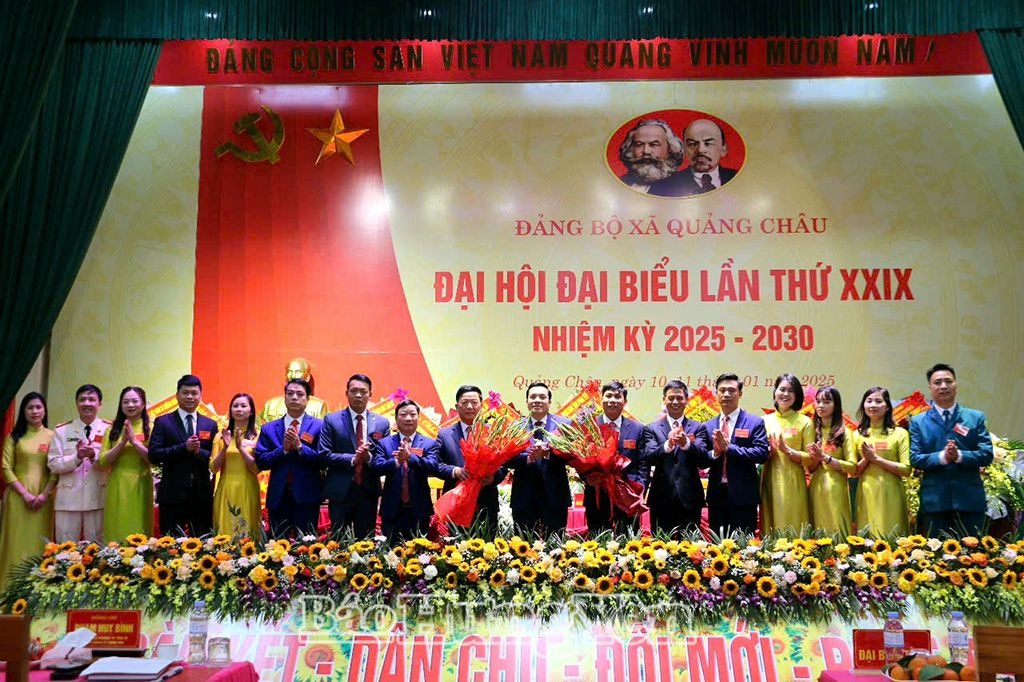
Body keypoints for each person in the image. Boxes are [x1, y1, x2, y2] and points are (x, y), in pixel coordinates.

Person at [909, 363, 993, 537]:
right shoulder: (918, 421)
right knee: (936, 551)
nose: (943, 386)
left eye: (948, 381)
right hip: (935, 500)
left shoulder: (974, 417)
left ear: (956, 385)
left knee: (974, 550)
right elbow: (915, 458)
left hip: (969, 499)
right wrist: (943, 457)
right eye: (937, 382)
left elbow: (986, 454)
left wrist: (959, 455)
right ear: (930, 387)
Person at [319, 374, 390, 537]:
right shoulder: (332, 420)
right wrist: (352, 458)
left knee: (365, 542)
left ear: (370, 394)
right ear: (347, 393)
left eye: (363, 391)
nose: (358, 395)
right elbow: (324, 455)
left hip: (368, 491)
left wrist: (368, 457)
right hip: (340, 490)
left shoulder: (381, 423)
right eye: (354, 391)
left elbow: (385, 458)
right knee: (338, 541)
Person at [0, 393, 57, 591]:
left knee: (40, 543)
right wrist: (25, 494)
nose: (34, 411)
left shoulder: (52, 436)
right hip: (18, 498)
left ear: (45, 411)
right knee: (14, 541)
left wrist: (44, 495)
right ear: (23, 411)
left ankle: (38, 589)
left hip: (44, 500)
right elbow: (6, 468)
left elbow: (55, 471)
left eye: (38, 407)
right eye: (30, 407)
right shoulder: (14, 437)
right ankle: (9, 589)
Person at [254, 378, 324, 538]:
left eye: (300, 394)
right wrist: (283, 450)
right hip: (278, 496)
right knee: (277, 545)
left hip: (307, 496)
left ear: (308, 399)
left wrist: (300, 447)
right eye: (290, 394)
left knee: (306, 545)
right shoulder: (269, 428)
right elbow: (261, 461)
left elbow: (323, 460)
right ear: (284, 398)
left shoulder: (319, 426)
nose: (294, 398)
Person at [148, 374, 217, 536]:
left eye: (194, 393)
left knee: (203, 541)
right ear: (177, 395)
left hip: (201, 494)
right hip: (172, 493)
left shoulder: (210, 424)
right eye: (185, 392)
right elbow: (154, 455)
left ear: (200, 396)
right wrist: (183, 447)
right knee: (170, 542)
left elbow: (213, 457)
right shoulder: (163, 422)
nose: (190, 397)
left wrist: (198, 451)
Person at [704, 374, 769, 535]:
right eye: (722, 390)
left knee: (744, 545)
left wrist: (730, 448)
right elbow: (702, 459)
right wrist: (715, 453)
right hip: (717, 496)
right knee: (717, 545)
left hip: (743, 495)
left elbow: (761, 453)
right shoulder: (708, 426)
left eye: (731, 390)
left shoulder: (754, 422)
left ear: (740, 394)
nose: (726, 394)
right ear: (716, 394)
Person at [644, 380, 710, 536]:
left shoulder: (698, 428)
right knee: (660, 546)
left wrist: (686, 444)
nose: (675, 402)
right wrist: (668, 445)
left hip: (690, 498)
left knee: (690, 547)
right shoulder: (651, 428)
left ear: (686, 400)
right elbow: (649, 457)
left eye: (679, 398)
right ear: (664, 400)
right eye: (671, 398)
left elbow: (703, 460)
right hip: (661, 499)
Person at [584, 381, 650, 534]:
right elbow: (579, 457)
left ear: (625, 401)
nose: (612, 400)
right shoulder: (590, 426)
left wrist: (639, 489)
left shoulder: (638, 428)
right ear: (601, 399)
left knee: (628, 542)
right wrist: (587, 478)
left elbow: (643, 464)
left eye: (617, 396)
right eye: (608, 396)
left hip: (628, 497)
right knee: (598, 541)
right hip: (597, 493)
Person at [434, 385, 503, 530]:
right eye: (464, 403)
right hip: (454, 504)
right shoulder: (445, 435)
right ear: (457, 407)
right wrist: (455, 471)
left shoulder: (493, 433)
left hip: (485, 502)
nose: (470, 407)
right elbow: (436, 464)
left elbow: (504, 465)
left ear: (481, 406)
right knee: (452, 544)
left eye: (474, 402)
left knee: (486, 544)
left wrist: (493, 477)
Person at [507, 382, 571, 535]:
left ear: (549, 401)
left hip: (555, 495)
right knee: (523, 544)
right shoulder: (516, 426)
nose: (537, 400)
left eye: (542, 397)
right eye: (533, 397)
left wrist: (548, 453)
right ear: (527, 401)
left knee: (555, 545)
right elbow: (507, 458)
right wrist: (528, 458)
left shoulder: (564, 424)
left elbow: (572, 455)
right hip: (524, 496)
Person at [48, 384, 109, 541]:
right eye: (82, 399)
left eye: (91, 399)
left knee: (97, 548)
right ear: (76, 403)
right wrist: (77, 458)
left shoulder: (109, 430)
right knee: (65, 548)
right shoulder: (62, 430)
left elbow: (113, 463)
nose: (87, 403)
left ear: (100, 404)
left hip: (98, 497)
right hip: (68, 499)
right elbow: (53, 464)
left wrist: (94, 456)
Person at [372, 399, 440, 541]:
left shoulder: (429, 443)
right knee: (390, 551)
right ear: (396, 419)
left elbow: (433, 466)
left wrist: (410, 458)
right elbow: (376, 467)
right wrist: (397, 461)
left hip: (419, 509)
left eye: (412, 414)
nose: (408, 418)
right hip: (392, 510)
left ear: (418, 418)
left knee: (420, 551)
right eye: (403, 414)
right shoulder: (384, 443)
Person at [852, 386, 912, 537]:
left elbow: (906, 470)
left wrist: (876, 459)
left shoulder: (900, 433)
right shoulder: (856, 435)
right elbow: (854, 471)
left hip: (892, 492)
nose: (873, 405)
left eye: (878, 401)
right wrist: (867, 459)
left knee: (893, 537)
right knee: (868, 539)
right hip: (867, 493)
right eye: (869, 401)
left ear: (887, 407)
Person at [760, 374, 813, 534]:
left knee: (794, 523)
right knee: (771, 524)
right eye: (782, 389)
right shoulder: (763, 421)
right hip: (769, 479)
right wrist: (769, 451)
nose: (785, 394)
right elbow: (757, 454)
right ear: (775, 392)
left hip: (793, 480)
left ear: (797, 396)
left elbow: (810, 458)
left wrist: (788, 451)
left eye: (791, 391)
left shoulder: (805, 422)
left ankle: (796, 551)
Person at [99, 386, 154, 540]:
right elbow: (103, 461)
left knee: (140, 525)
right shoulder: (112, 430)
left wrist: (134, 442)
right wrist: (122, 442)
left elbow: (154, 460)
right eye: (126, 402)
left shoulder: (151, 427)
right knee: (117, 523)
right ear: (120, 405)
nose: (130, 405)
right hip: (118, 482)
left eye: (135, 401)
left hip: (141, 481)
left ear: (143, 404)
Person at [806, 387, 857, 536]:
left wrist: (825, 458)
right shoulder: (812, 431)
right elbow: (810, 468)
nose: (821, 405)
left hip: (837, 489)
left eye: (827, 402)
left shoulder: (845, 433)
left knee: (837, 531)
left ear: (836, 405)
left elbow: (852, 467)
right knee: (817, 532)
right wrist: (816, 459)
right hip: (816, 489)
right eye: (818, 401)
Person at [211, 393, 262, 537]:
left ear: (251, 411)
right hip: (226, 488)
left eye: (243, 406)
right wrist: (225, 448)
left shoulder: (257, 436)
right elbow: (213, 468)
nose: (239, 409)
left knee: (247, 532)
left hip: (248, 487)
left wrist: (241, 448)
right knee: (225, 531)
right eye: (235, 406)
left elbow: (257, 469)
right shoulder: (221, 436)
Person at [651, 118, 738, 196]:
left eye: (708, 143)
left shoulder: (739, 178)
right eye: (692, 144)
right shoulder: (663, 186)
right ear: (684, 149)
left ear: (723, 149)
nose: (700, 150)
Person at [616, 119, 685, 194]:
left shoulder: (681, 185)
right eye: (639, 145)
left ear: (670, 149)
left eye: (654, 144)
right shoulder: (618, 184)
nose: (646, 151)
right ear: (631, 149)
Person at [257, 357, 330, 425]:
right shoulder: (271, 404)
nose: (293, 375)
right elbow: (260, 428)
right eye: (290, 371)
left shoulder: (318, 406)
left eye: (298, 371)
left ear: (307, 377)